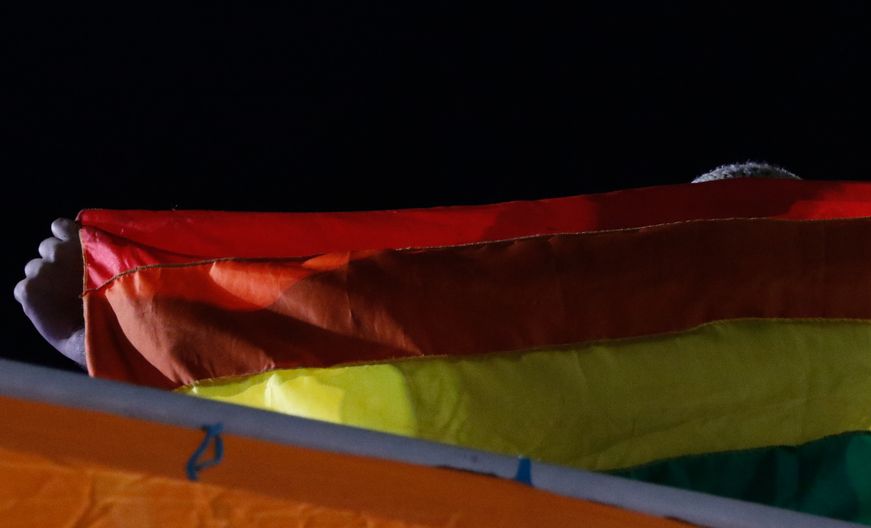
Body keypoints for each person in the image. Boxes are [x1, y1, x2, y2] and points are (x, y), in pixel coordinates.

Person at [13, 162, 799, 370]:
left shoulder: (869, 397)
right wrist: (111, 343)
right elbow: (346, 394)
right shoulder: (561, 369)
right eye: (689, 243)